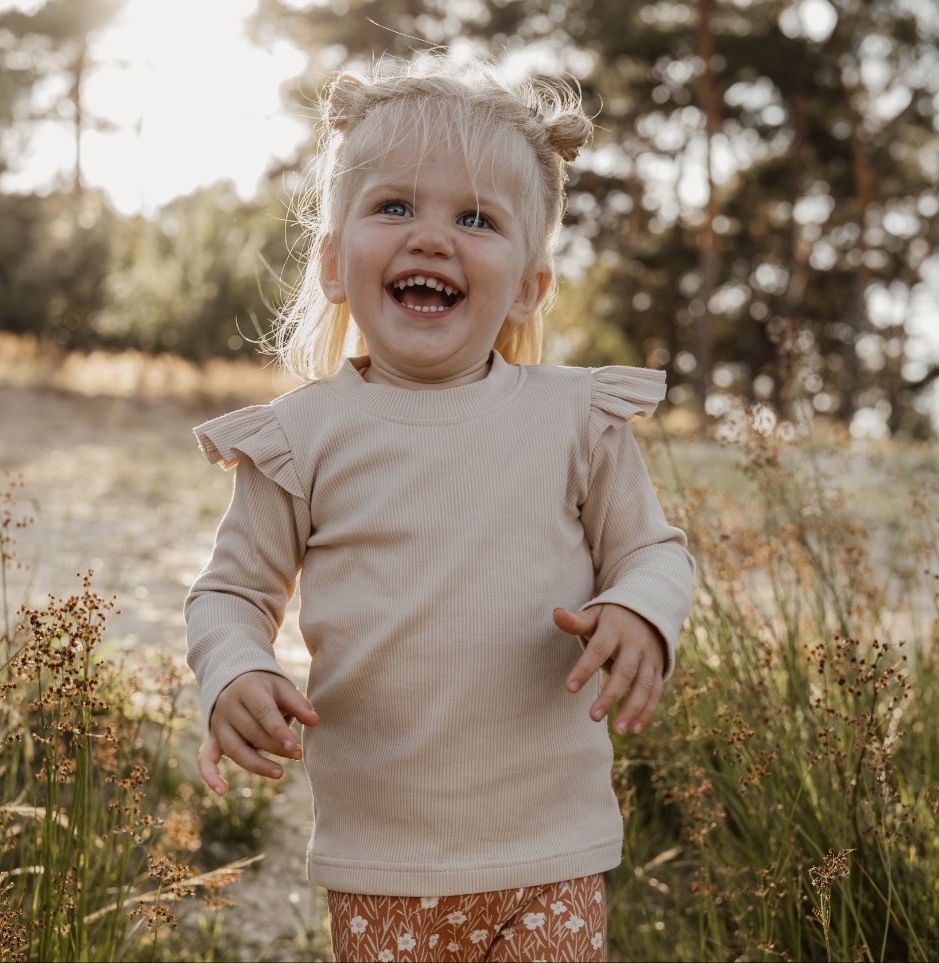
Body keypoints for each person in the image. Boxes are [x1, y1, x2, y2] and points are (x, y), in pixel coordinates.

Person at [185, 60, 694, 963]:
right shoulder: (300, 438)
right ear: (334, 263)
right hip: (382, 860)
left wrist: (639, 612)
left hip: (550, 851)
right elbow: (230, 592)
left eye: (475, 219)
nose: (430, 239)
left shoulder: (576, 418)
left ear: (531, 284)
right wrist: (234, 670)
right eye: (393, 208)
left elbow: (652, 552)